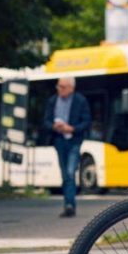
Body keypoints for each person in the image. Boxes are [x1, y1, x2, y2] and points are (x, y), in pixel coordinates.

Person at [43, 76, 91, 218]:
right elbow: (45, 121)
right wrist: (54, 126)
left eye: (62, 87)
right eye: (58, 86)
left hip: (74, 141)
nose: (59, 89)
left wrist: (72, 128)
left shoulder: (80, 101)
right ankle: (68, 204)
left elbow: (87, 121)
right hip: (59, 141)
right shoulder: (52, 101)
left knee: (70, 172)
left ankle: (70, 205)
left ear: (71, 87)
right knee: (65, 174)